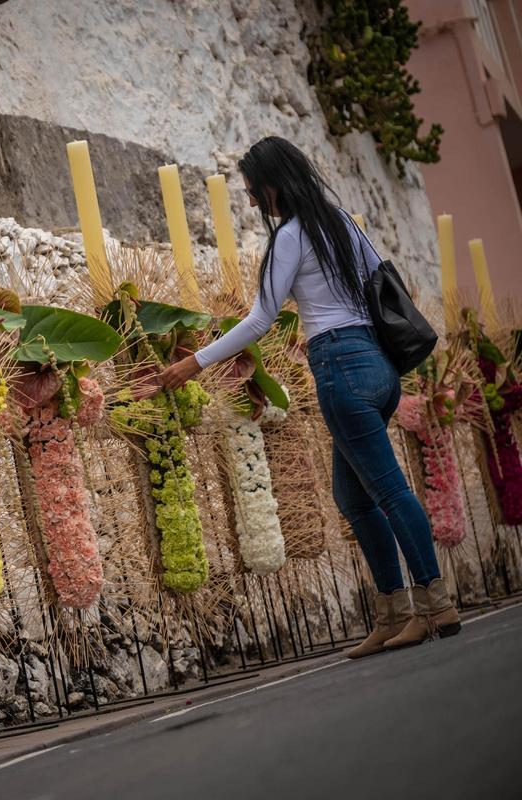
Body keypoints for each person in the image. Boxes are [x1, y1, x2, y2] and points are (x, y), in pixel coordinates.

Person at [157, 136, 460, 658]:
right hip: (379, 368)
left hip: (341, 369)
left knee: (387, 491)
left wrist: (191, 363)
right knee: (353, 497)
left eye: (253, 190)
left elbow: (260, 319)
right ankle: (393, 613)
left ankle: (435, 604)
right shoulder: (342, 221)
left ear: (274, 183)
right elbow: (383, 283)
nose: (253, 201)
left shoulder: (292, 237)